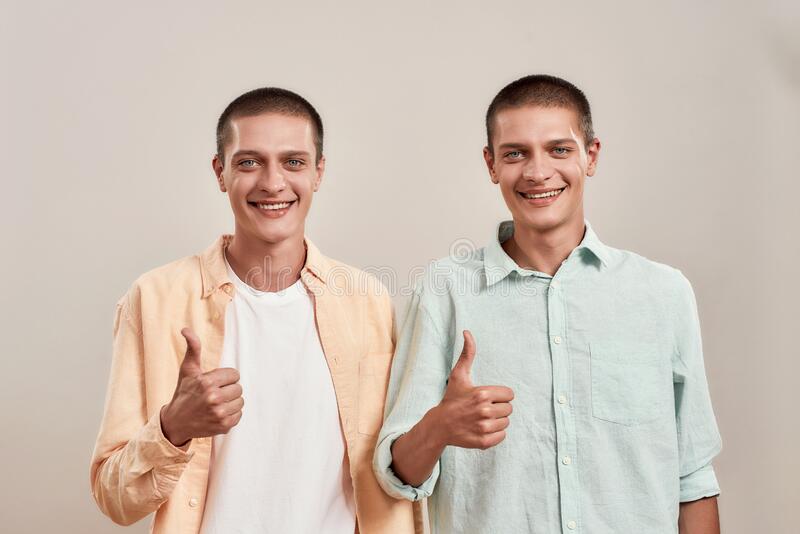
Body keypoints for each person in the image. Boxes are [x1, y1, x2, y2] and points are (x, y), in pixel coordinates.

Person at [374, 75, 722, 533]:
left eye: (559, 149)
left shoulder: (663, 293)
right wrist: (440, 426)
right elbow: (397, 476)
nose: (538, 172)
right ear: (491, 164)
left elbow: (692, 476)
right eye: (515, 153)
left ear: (590, 155)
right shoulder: (443, 289)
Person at [90, 87, 418, 533]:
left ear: (319, 172)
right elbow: (114, 498)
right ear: (220, 172)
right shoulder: (155, 298)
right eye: (248, 162)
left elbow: (392, 471)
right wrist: (173, 427)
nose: (272, 182)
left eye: (293, 162)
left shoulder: (368, 300)